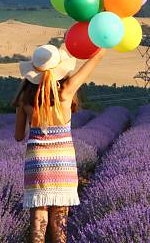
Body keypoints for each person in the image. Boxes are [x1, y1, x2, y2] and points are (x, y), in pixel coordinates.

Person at [12, 44, 105, 243]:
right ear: (59, 69)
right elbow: (92, 63)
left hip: (36, 161)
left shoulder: (24, 98)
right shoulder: (66, 92)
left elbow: (19, 136)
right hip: (63, 161)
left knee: (39, 216)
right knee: (59, 219)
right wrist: (103, 44)